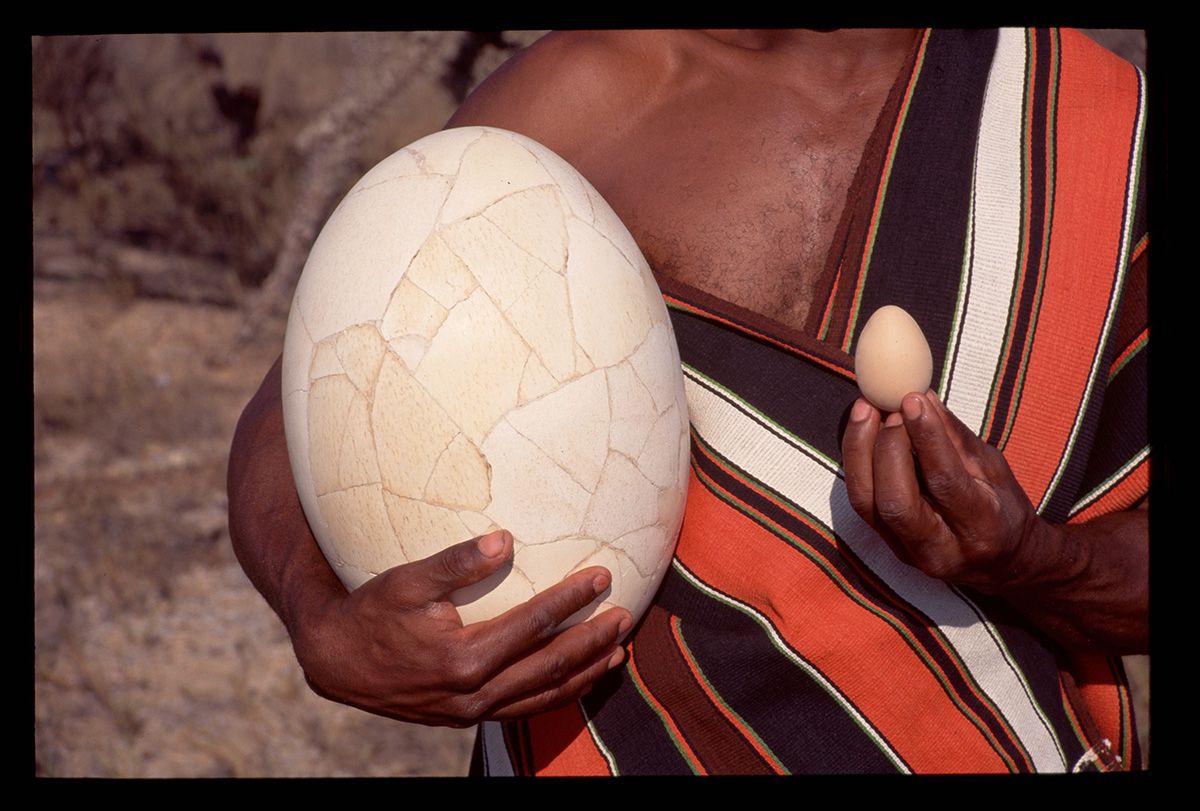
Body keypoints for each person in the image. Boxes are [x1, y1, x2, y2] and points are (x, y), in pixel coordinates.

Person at [227, 28, 1148, 773]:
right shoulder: (592, 92)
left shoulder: (1090, 127)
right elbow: (303, 391)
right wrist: (318, 612)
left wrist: (1030, 559)